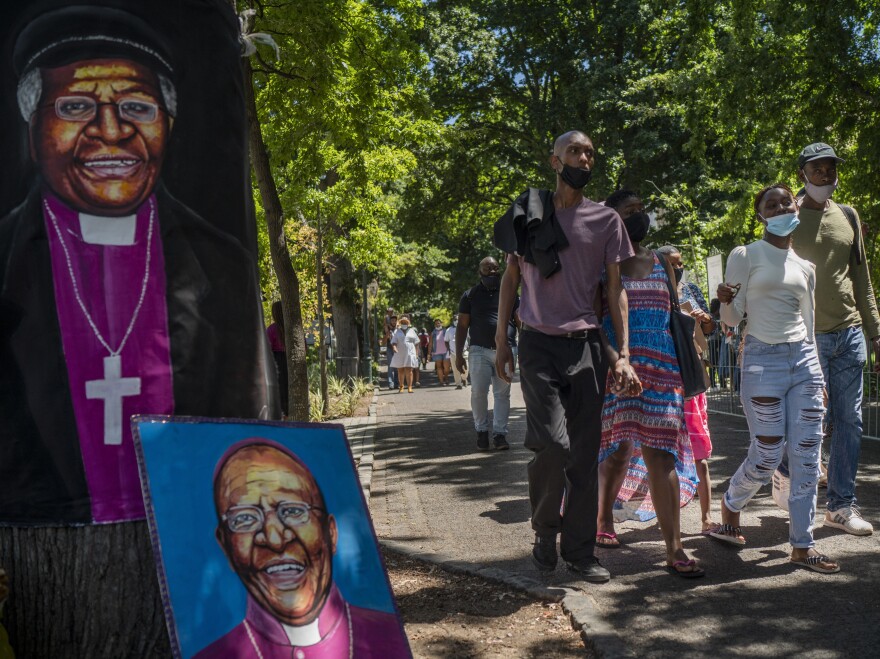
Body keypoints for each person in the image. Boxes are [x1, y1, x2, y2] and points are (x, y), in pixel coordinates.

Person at [0, 7, 278, 525]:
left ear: (168, 124)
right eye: (77, 105)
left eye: (137, 107)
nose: (112, 131)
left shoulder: (221, 267)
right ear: (33, 122)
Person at [494, 130, 637, 582]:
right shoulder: (529, 214)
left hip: (587, 347)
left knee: (583, 454)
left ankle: (580, 552)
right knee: (551, 446)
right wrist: (501, 340)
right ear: (554, 160)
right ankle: (544, 531)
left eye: (590, 152)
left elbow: (616, 291)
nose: (583, 158)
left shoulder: (606, 221)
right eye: (574, 151)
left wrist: (624, 354)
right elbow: (510, 279)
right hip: (537, 343)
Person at [712, 183, 839, 573]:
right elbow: (731, 321)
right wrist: (725, 301)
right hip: (761, 360)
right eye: (772, 204)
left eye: (786, 201)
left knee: (806, 457)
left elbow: (809, 321)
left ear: (795, 205)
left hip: (803, 361)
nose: (781, 207)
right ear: (761, 214)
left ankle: (803, 545)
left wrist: (818, 374)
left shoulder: (806, 267)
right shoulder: (745, 255)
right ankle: (732, 503)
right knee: (767, 453)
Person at [196, 439, 409, 658]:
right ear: (225, 546)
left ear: (331, 533)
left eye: (292, 511)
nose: (274, 539)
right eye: (245, 518)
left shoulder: (386, 637)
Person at [595, 191, 702, 577]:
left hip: (663, 369)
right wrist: (617, 361)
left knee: (662, 453)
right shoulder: (602, 265)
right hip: (619, 371)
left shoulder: (660, 262)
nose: (640, 218)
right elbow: (595, 321)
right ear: (612, 220)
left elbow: (674, 316)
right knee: (619, 450)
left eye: (642, 211)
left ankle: (674, 546)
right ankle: (604, 519)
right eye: (630, 212)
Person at [776, 142, 879, 536]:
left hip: (849, 333)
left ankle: (840, 507)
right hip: (805, 336)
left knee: (849, 420)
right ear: (802, 172)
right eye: (817, 169)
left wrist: (876, 333)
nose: (826, 175)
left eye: (831, 168)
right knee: (808, 423)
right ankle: (787, 474)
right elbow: (771, 267)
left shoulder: (848, 216)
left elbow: (863, 280)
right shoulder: (787, 216)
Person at [656, 245, 718, 535]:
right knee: (661, 452)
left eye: (680, 263)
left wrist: (704, 320)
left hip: (692, 377)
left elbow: (708, 331)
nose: (677, 268)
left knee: (700, 451)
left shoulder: (690, 288)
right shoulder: (652, 290)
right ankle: (666, 520)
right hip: (665, 378)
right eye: (672, 263)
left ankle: (707, 518)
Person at [456, 258, 517, 450]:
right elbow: (462, 326)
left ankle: (500, 435)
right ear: (479, 271)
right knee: (478, 392)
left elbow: (521, 321)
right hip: (478, 352)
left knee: (502, 395)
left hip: (506, 350)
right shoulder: (470, 296)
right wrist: (458, 354)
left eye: (495, 268)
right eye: (487, 268)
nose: (492, 271)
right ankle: (481, 431)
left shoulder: (510, 293)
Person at [267, 301, 288, 417]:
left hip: (277, 363)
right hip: (290, 362)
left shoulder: (271, 329)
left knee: (280, 392)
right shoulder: (293, 327)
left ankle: (283, 417)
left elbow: (266, 348)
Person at [390, 315, 419, 393]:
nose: (404, 323)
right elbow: (393, 342)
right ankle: (401, 386)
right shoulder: (397, 331)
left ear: (408, 323)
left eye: (405, 322)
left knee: (409, 370)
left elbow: (416, 343)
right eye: (402, 322)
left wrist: (416, 353)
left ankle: (410, 387)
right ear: (400, 323)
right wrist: (394, 348)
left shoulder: (412, 331)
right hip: (400, 353)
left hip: (410, 352)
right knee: (401, 370)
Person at [446, 314, 469, 390]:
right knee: (455, 369)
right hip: (453, 352)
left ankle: (464, 378)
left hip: (464, 351)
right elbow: (446, 341)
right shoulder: (449, 330)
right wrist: (448, 350)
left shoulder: (466, 328)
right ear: (453, 321)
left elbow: (469, 338)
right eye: (455, 320)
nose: (457, 321)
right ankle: (458, 384)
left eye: (458, 319)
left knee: (466, 367)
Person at [428, 319, 450, 385]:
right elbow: (430, 343)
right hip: (436, 352)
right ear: (435, 325)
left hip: (446, 351)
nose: (438, 324)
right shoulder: (433, 333)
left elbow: (449, 340)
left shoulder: (445, 331)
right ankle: (441, 381)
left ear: (441, 324)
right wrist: (429, 353)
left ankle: (446, 377)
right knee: (439, 367)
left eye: (439, 323)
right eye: (436, 324)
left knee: (446, 368)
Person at [382, 312, 399, 390]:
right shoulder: (386, 329)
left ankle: (396, 383)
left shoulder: (399, 329)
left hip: (398, 349)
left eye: (395, 320)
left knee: (397, 367)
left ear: (396, 321)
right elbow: (383, 342)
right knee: (390, 367)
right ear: (390, 321)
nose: (393, 322)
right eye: (392, 320)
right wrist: (387, 335)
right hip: (389, 349)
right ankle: (390, 384)